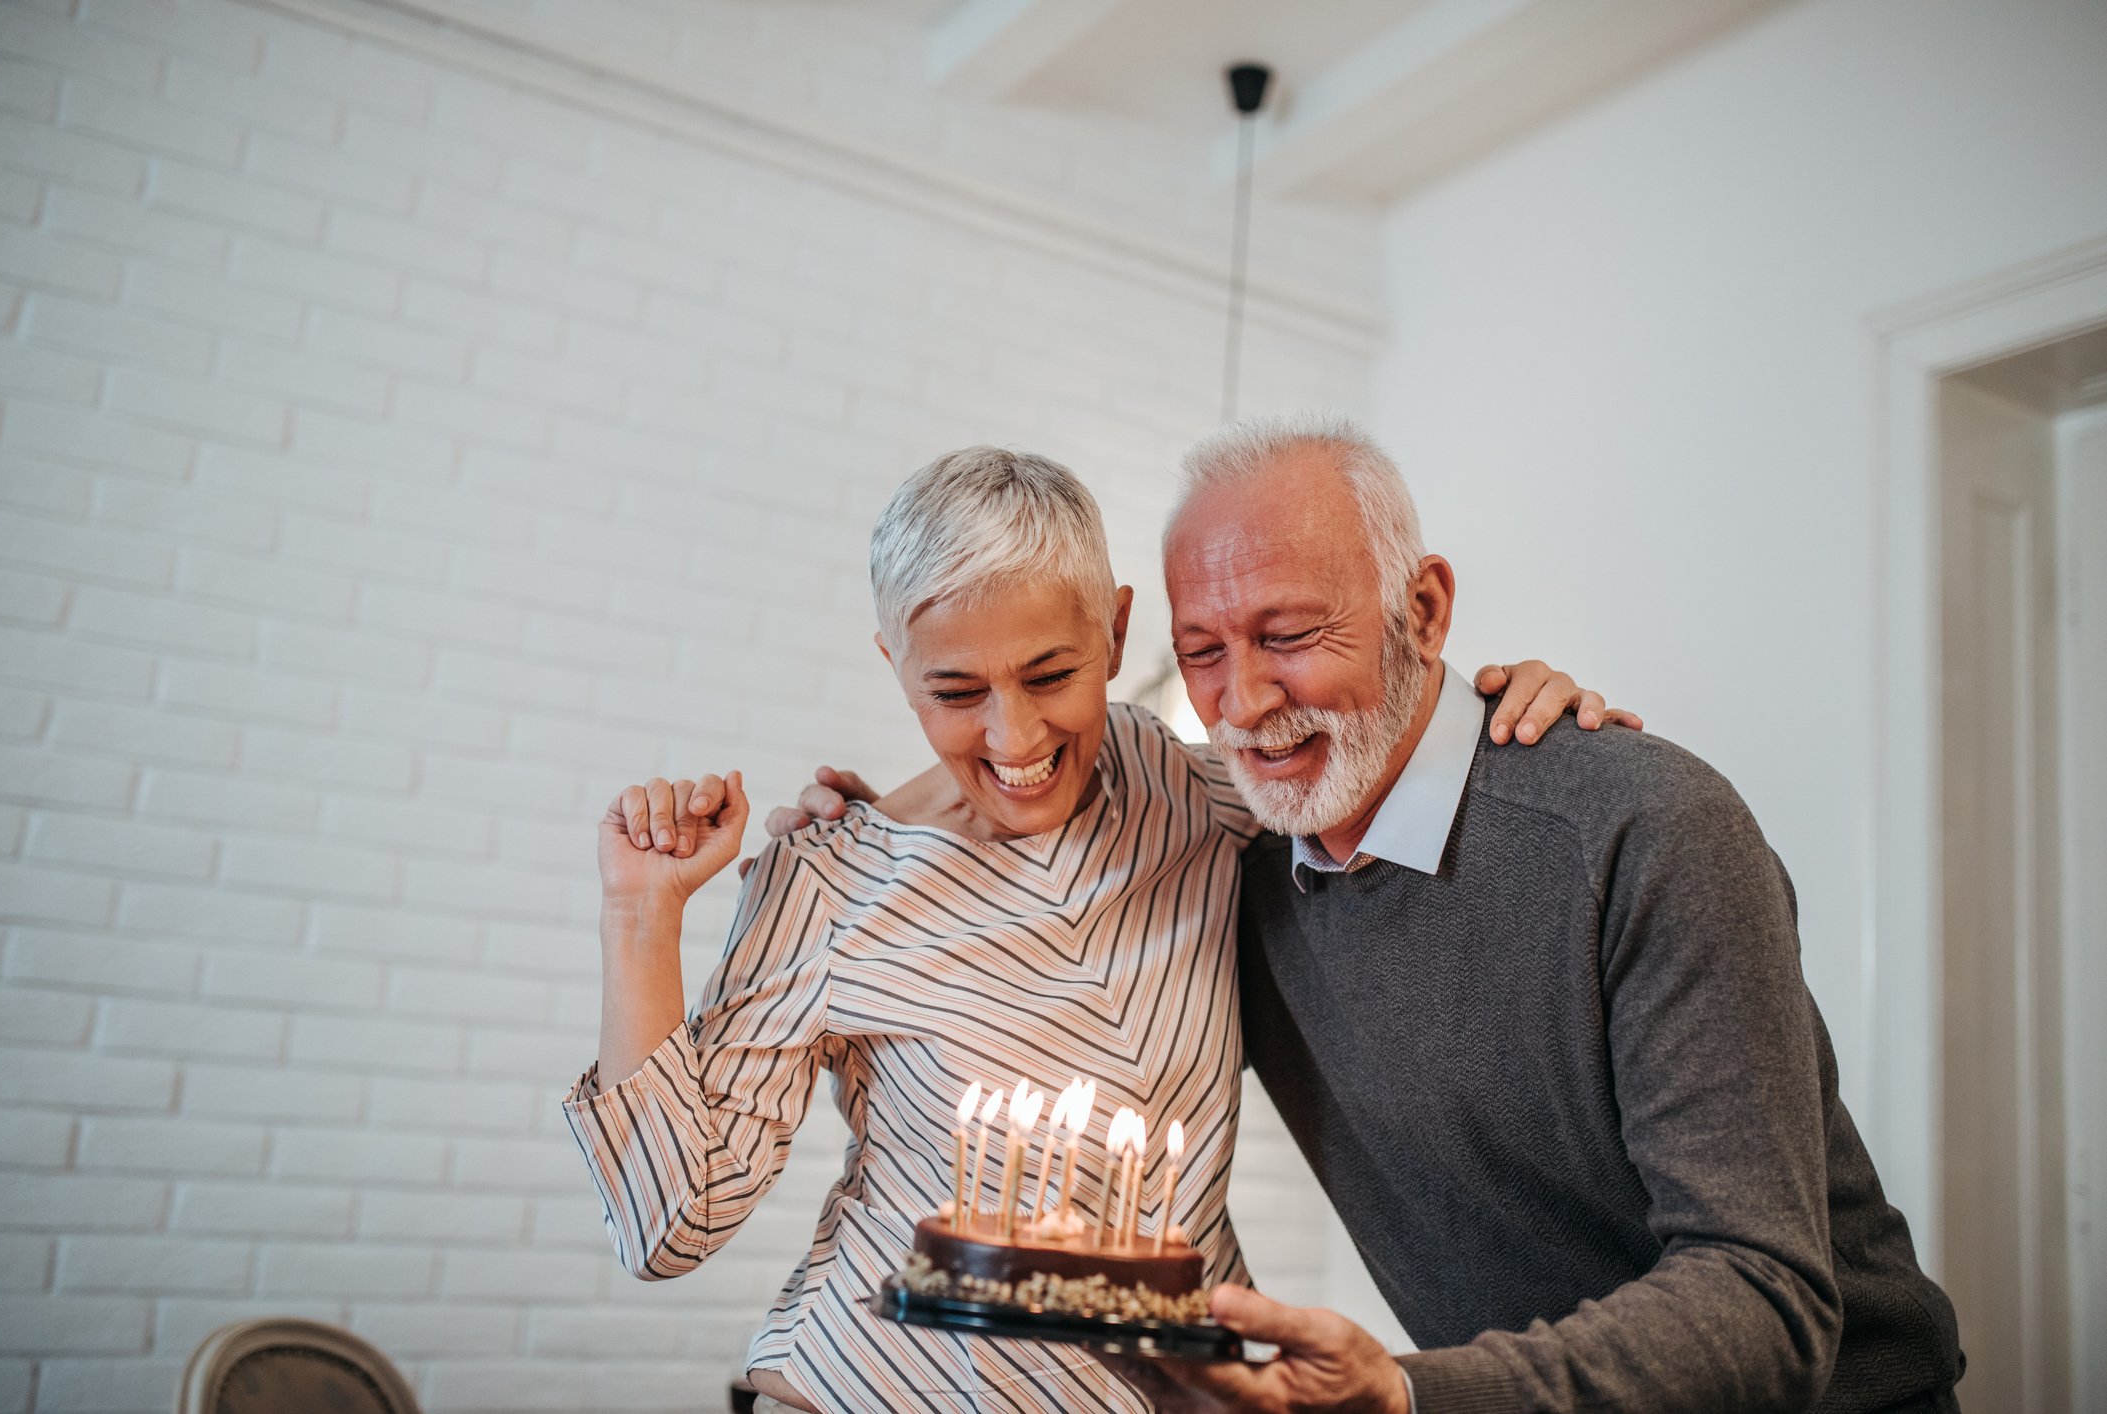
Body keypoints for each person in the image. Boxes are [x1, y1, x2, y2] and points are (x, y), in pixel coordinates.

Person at [789, 414, 1964, 1414]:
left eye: (1291, 636)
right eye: (1202, 652)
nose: (1244, 702)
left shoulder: (1641, 828)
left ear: (1426, 608)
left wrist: (1411, 1395)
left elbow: (1766, 1296)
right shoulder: (1234, 876)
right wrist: (864, 828)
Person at [563, 446, 1616, 1413]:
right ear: (894, 663)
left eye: (1051, 675)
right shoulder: (830, 878)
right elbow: (668, 1225)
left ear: (1116, 631)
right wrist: (639, 914)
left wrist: (1507, 725)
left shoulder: (1200, 796)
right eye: (955, 690)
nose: (1014, 735)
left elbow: (1371, 769)